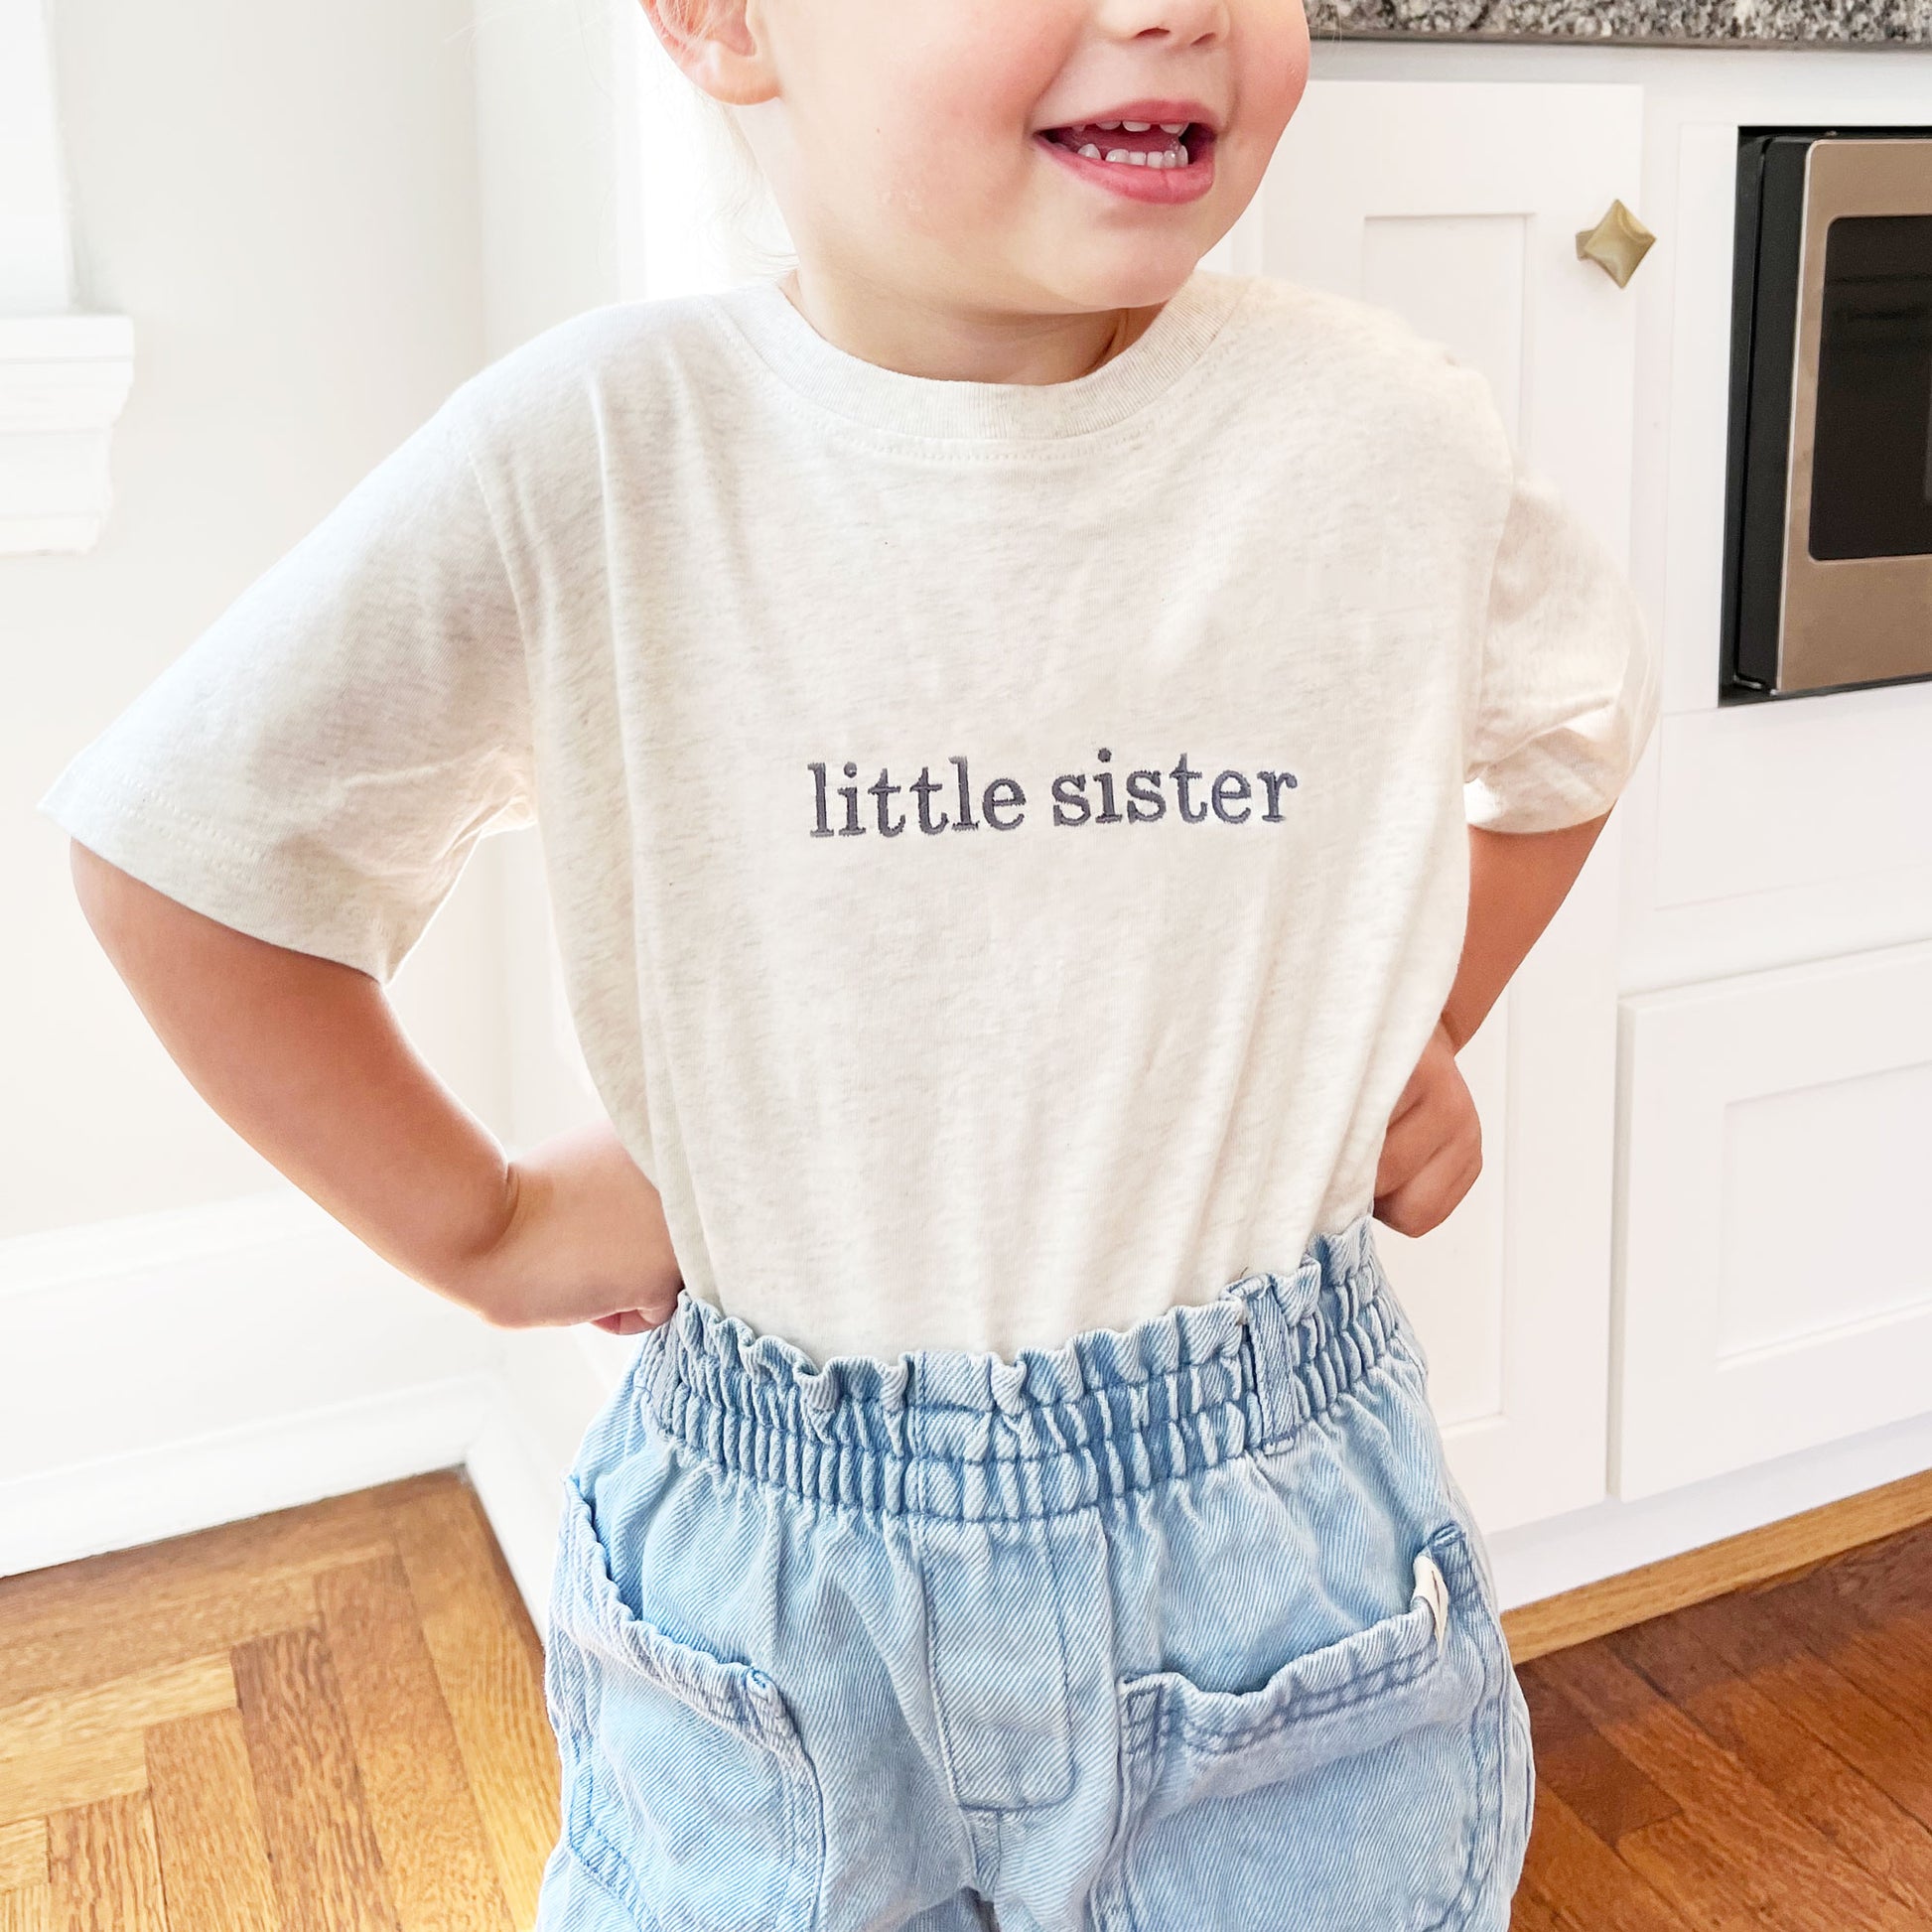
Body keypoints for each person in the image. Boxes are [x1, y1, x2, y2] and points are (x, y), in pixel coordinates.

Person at [37, 0, 1660, 1923]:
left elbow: (1567, 733)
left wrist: (1416, 1017)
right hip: (771, 1603)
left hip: (1284, 1578)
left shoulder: (1385, 432)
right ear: (722, 22)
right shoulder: (603, 454)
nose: (1175, 13)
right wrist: (479, 1224)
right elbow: (190, 853)